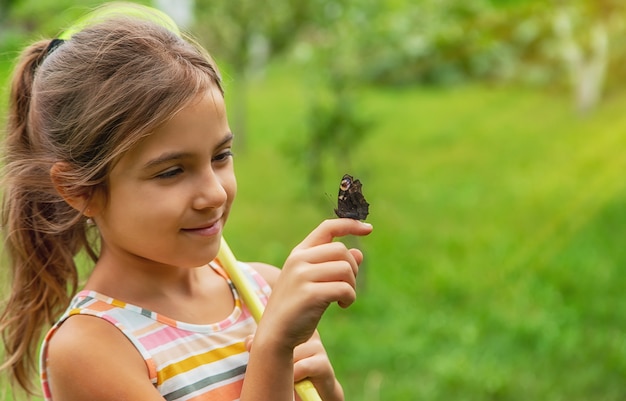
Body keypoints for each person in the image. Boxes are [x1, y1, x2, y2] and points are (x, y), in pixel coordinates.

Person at [0, 3, 373, 400]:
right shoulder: (91, 348)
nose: (214, 193)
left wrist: (329, 390)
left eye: (221, 156)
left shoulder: (264, 288)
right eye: (171, 171)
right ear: (79, 190)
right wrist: (272, 350)